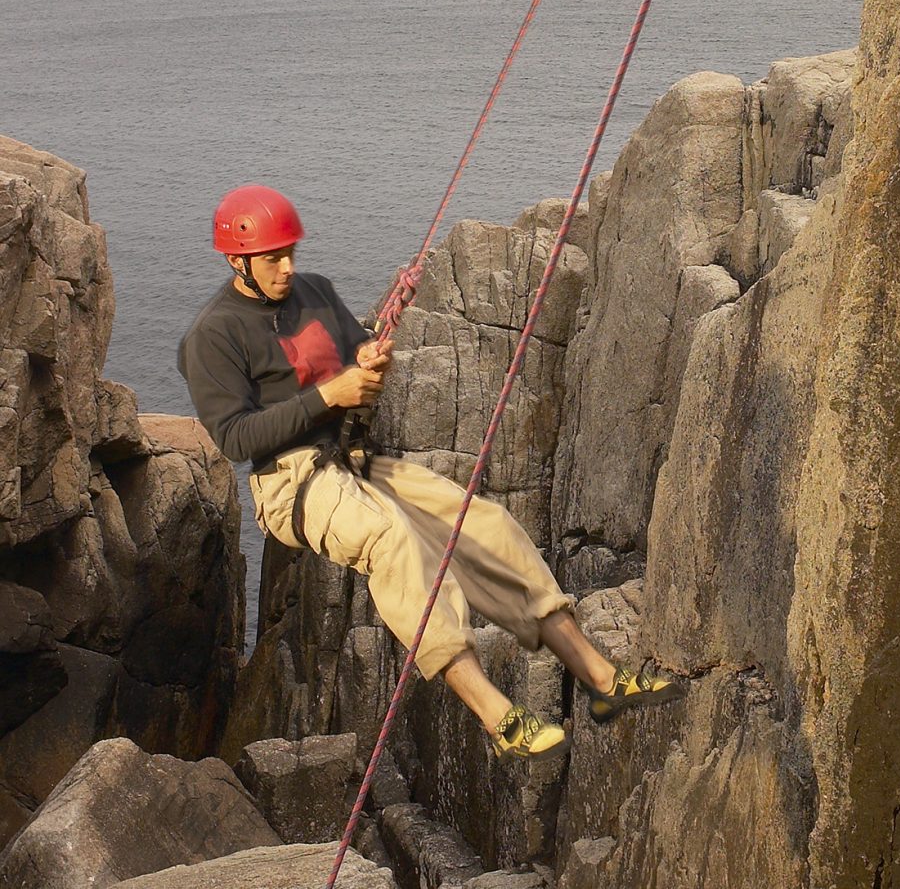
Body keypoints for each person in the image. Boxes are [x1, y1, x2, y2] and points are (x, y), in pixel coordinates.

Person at [179, 184, 683, 762]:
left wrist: (370, 358)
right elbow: (235, 438)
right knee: (393, 542)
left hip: (353, 459)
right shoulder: (213, 336)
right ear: (236, 260)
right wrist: (329, 394)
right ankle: (498, 718)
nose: (288, 268)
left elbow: (356, 353)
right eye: (273, 259)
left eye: (291, 252)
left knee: (485, 524)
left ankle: (600, 678)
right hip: (291, 483)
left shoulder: (314, 294)